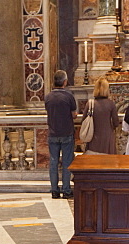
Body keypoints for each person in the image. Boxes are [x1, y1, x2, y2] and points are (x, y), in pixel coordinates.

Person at [45, 70, 77, 199]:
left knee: (53, 161)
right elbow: (74, 115)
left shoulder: (48, 97)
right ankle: (66, 189)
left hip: (52, 133)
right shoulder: (69, 96)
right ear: (64, 81)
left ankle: (54, 190)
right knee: (67, 162)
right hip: (66, 133)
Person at [83, 77, 119, 154]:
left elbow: (83, 120)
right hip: (107, 139)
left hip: (93, 138)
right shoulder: (110, 104)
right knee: (108, 162)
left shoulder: (90, 104)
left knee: (94, 162)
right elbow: (116, 122)